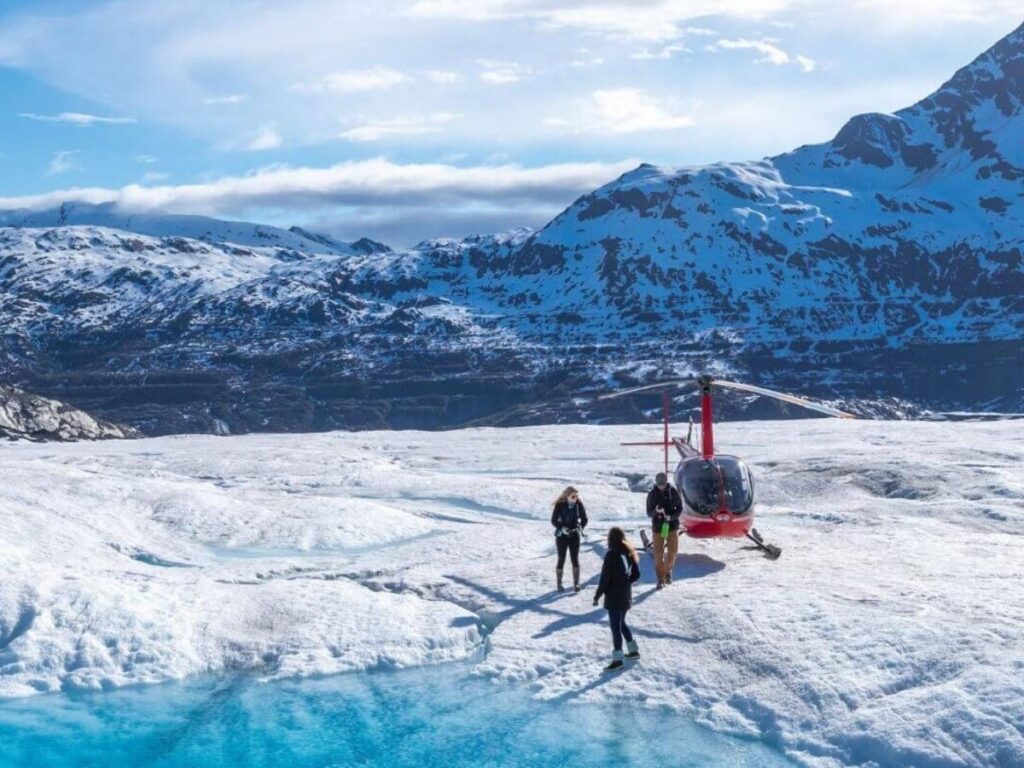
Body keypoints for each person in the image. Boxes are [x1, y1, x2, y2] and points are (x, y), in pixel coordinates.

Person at [593, 526, 641, 671]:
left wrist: (598, 595)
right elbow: (636, 574)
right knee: (621, 623)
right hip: (626, 594)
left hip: (614, 596)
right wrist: (626, 582)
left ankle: (618, 660)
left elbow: (605, 578)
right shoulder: (629, 552)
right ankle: (633, 651)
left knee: (615, 627)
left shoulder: (611, 554)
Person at [646, 471, 683, 589]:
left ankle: (668, 571)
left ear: (666, 482)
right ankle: (660, 579)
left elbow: (679, 508)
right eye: (659, 484)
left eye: (663, 484)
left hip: (671, 526)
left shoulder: (673, 492)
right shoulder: (652, 495)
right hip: (658, 527)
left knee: (673, 551)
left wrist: (671, 517)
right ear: (656, 483)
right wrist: (655, 512)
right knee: (658, 554)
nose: (661, 486)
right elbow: (648, 512)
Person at [550, 486, 588, 592]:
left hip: (574, 535)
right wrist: (561, 527)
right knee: (561, 558)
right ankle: (559, 584)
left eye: (576, 496)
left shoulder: (579, 505)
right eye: (573, 496)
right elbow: (553, 520)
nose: (575, 498)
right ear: (567, 496)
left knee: (574, 559)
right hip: (562, 535)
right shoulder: (560, 505)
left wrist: (581, 526)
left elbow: (585, 519)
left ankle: (576, 584)